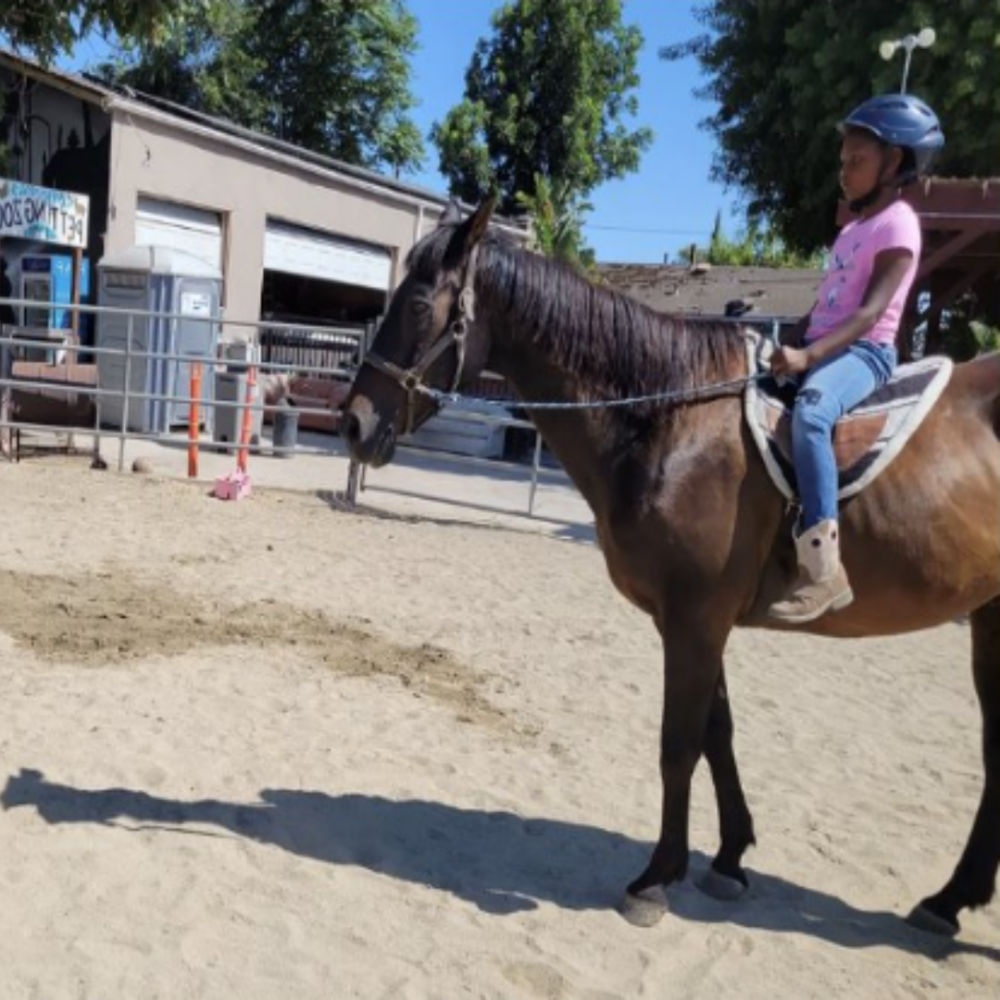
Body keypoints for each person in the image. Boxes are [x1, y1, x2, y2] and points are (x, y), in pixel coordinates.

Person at [768, 94, 944, 624]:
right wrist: (784, 344)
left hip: (865, 353)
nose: (844, 173)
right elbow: (826, 305)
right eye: (842, 162)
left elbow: (869, 313)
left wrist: (808, 356)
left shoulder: (899, 223)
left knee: (814, 412)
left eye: (856, 161)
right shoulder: (849, 231)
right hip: (825, 344)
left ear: (893, 163)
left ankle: (825, 571)